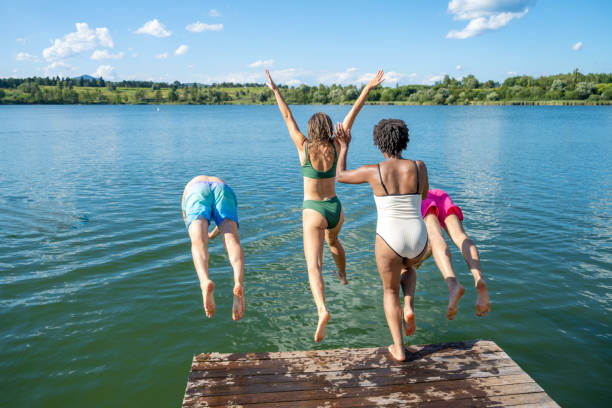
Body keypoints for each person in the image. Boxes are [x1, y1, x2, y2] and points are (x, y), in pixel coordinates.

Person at [265, 69, 384, 342]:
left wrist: (275, 90)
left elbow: (287, 116)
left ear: (310, 130)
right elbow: (355, 110)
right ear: (329, 128)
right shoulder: (336, 144)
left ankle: (322, 310)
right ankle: (342, 275)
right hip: (335, 209)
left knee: (313, 266)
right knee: (334, 243)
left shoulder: (303, 146)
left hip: (313, 212)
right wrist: (367, 87)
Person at [335, 119, 430, 361]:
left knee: (389, 290)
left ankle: (399, 348)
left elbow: (341, 176)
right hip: (418, 236)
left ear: (379, 144)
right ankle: (409, 304)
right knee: (409, 266)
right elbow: (425, 194)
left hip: (389, 238)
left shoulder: (374, 170)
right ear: (405, 140)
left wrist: (344, 147)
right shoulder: (420, 166)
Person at [403, 189, 490, 320]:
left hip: (417, 198)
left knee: (434, 237)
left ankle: (452, 284)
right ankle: (478, 278)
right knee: (460, 237)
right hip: (438, 194)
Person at [181, 175, 245, 321]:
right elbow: (222, 224)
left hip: (195, 189)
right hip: (223, 188)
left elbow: (187, 219)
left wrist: (204, 235)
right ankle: (239, 283)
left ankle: (204, 281)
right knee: (232, 239)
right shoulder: (219, 181)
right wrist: (212, 234)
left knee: (198, 242)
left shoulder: (189, 186)